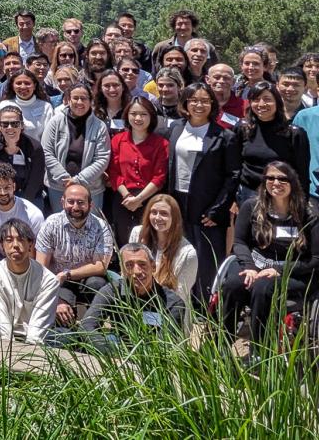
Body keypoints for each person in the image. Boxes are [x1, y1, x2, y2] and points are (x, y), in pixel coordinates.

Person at [218, 161, 319, 347]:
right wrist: (249, 267)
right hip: (256, 264)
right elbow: (239, 242)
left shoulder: (309, 213)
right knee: (233, 284)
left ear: (293, 182)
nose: (276, 183)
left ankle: (261, 347)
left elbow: (315, 260)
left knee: (262, 288)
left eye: (282, 179)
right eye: (270, 178)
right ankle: (221, 343)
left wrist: (277, 269)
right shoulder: (251, 207)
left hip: (295, 270)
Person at [167, 83, 240, 300]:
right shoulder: (176, 128)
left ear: (212, 104)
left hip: (208, 205)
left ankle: (206, 308)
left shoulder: (225, 136)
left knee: (207, 259)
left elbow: (233, 175)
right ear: (185, 103)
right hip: (179, 200)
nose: (199, 105)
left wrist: (218, 209)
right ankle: (181, 302)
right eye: (194, 100)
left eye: (205, 101)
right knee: (180, 252)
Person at [34, 184, 115, 326]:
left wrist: (67, 273)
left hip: (88, 280)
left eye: (81, 202)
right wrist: (56, 300)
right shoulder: (50, 224)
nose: (75, 207)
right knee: (62, 318)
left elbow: (100, 266)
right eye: (71, 202)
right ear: (63, 202)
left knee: (97, 283)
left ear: (90, 204)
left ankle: (93, 326)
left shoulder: (102, 227)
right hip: (59, 282)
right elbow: (41, 268)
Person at [79, 242, 186, 349]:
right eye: (129, 265)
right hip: (117, 349)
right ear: (122, 270)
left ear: (153, 266)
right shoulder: (112, 291)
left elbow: (164, 345)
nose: (137, 271)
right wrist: (114, 353)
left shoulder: (173, 303)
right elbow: (86, 326)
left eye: (142, 264)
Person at [0, 218, 60, 345]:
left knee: (64, 339)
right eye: (9, 240)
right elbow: (0, 325)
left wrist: (27, 357)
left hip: (36, 338)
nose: (15, 245)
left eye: (21, 239)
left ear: (30, 245)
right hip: (1, 337)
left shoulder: (48, 280)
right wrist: (8, 355)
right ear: (2, 245)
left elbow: (38, 329)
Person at [108, 96, 170, 246]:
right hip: (123, 198)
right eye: (133, 113)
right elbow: (114, 171)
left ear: (151, 117)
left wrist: (138, 199)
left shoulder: (161, 144)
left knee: (148, 241)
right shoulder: (118, 140)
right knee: (124, 240)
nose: (138, 118)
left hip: (148, 199)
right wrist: (128, 196)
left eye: (143, 114)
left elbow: (159, 177)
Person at [41, 82, 111, 208]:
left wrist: (78, 180)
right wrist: (64, 179)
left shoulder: (100, 126)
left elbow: (102, 158)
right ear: (68, 99)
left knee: (90, 225)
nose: (79, 102)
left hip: (91, 188)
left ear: (91, 101)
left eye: (84, 98)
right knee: (60, 224)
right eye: (75, 98)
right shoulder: (55, 122)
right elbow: (47, 152)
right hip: (59, 186)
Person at [236, 83, 310, 202]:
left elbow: (302, 173)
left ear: (277, 102)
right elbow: (235, 166)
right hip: (247, 194)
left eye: (267, 99)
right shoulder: (243, 128)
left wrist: (302, 202)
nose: (261, 104)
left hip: (282, 195)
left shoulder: (294, 133)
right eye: (256, 99)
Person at [127, 193, 198, 307]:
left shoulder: (188, 253)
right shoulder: (137, 234)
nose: (157, 217)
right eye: (154, 212)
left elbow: (179, 297)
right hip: (136, 306)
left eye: (164, 213)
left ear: (174, 218)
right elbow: (128, 273)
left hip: (168, 311)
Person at [0, 103, 45, 204]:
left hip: (28, 195)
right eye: (5, 124)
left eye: (15, 124)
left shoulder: (34, 147)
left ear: (22, 125)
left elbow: (35, 181)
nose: (10, 127)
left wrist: (20, 205)